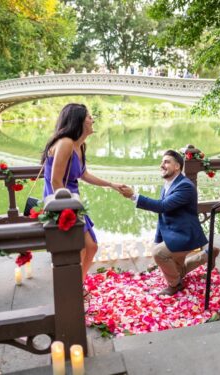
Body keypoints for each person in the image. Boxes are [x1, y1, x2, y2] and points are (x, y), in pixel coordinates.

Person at [41, 103, 126, 280]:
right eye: (89, 117)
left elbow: (84, 174)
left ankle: (77, 285)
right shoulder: (65, 143)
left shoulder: (80, 146)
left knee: (92, 246)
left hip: (73, 200)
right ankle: (71, 288)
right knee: (79, 247)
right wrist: (67, 209)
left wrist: (111, 184)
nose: (92, 119)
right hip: (60, 201)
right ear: (78, 120)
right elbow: (55, 180)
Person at [120, 150, 220, 295]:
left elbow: (162, 206)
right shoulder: (168, 184)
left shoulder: (185, 186)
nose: (162, 165)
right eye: (162, 162)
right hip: (173, 232)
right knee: (179, 270)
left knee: (159, 253)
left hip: (186, 234)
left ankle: (175, 285)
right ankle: (207, 255)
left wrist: (133, 195)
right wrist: (157, 239)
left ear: (177, 166)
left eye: (166, 162)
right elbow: (162, 214)